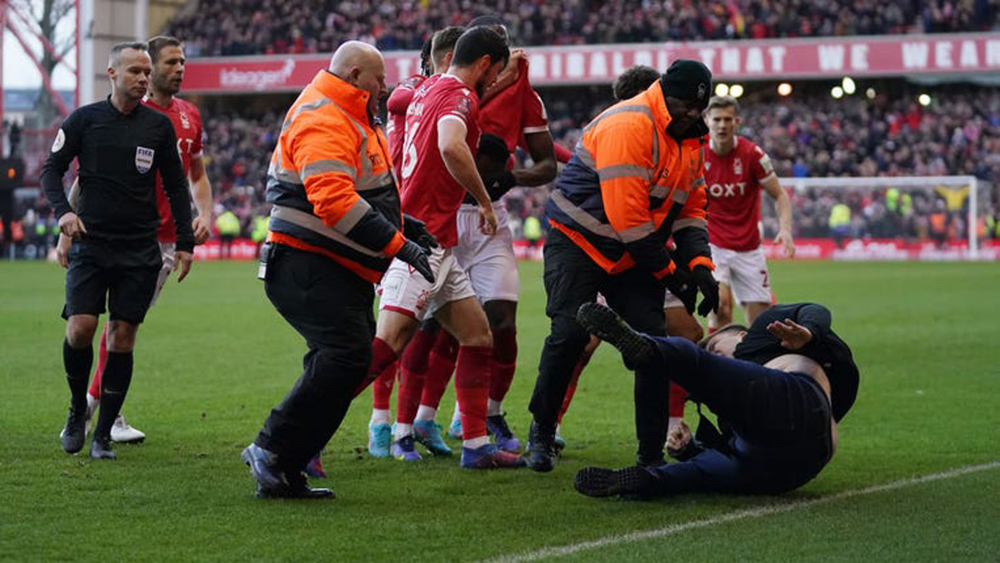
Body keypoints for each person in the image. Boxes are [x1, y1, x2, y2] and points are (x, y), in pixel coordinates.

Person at [240, 41, 436, 499]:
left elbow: (366, 191)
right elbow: (333, 200)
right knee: (346, 356)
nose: (384, 88)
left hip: (329, 266)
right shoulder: (325, 114)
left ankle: (284, 465)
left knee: (344, 361)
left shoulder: (351, 114)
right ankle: (272, 450)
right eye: (378, 79)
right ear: (353, 75)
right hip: (307, 262)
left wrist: (409, 226)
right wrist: (399, 244)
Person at [523, 60, 719, 473]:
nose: (691, 114)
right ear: (664, 92)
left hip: (631, 251)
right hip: (579, 240)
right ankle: (541, 431)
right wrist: (673, 275)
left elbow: (691, 206)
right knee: (570, 333)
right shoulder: (628, 125)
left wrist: (700, 265)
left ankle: (650, 456)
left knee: (653, 345)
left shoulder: (692, 137)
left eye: (697, 108)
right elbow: (629, 221)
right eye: (685, 104)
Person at [361, 26, 524, 469]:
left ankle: (475, 446)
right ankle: (303, 433)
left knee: (477, 335)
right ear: (486, 64)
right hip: (420, 243)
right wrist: (486, 201)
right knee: (387, 346)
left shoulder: (428, 86)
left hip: (438, 241)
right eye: (496, 73)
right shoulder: (461, 97)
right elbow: (451, 145)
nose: (494, 82)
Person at [54, 35, 213, 445]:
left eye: (182, 62)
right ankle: (86, 408)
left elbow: (187, 179)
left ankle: (104, 423)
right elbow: (79, 178)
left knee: (123, 332)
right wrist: (64, 225)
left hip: (149, 242)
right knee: (85, 328)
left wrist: (198, 223)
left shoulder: (184, 118)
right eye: (169, 63)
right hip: (97, 238)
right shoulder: (95, 119)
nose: (178, 69)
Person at [573, 300, 858, 498]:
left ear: (741, 335)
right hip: (783, 470)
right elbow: (725, 448)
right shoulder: (731, 405)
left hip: (796, 405)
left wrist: (809, 333)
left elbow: (815, 310)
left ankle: (647, 348)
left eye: (713, 344)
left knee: (694, 362)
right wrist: (688, 449)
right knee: (701, 470)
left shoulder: (763, 334)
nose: (712, 350)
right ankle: (646, 480)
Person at [366, 25, 465, 459]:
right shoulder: (416, 90)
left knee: (449, 332)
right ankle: (381, 422)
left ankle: (421, 420)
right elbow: (397, 99)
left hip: (436, 226)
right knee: (395, 333)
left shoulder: (437, 96)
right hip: (401, 223)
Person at [702, 95, 795, 331]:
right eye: (717, 119)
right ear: (707, 121)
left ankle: (751, 363)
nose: (722, 125)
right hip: (712, 243)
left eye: (727, 119)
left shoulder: (753, 155)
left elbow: (780, 195)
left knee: (761, 323)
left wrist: (785, 230)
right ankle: (720, 364)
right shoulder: (696, 153)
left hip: (748, 246)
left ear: (737, 122)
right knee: (721, 306)